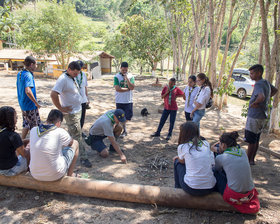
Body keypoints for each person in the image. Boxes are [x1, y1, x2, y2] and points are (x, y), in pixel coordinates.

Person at [51, 61, 91, 168]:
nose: (76, 75)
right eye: (75, 73)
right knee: (78, 135)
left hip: (77, 110)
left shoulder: (71, 77)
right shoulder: (63, 79)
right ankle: (83, 158)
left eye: (78, 73)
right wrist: (60, 108)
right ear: (69, 69)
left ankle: (66, 152)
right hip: (71, 113)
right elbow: (53, 94)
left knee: (72, 134)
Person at [211, 131, 260, 214]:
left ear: (223, 145)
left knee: (215, 172)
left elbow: (216, 169)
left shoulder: (222, 157)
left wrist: (216, 151)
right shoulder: (243, 151)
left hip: (234, 196)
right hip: (249, 194)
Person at [29, 109, 79, 181]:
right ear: (59, 123)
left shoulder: (33, 130)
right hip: (55, 174)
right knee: (76, 143)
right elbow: (71, 143)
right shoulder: (60, 131)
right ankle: (70, 174)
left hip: (34, 173)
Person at [245, 64, 278, 165]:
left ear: (259, 72)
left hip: (254, 116)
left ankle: (247, 160)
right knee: (255, 139)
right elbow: (275, 90)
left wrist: (256, 103)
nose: (250, 75)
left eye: (252, 73)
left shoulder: (259, 84)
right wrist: (266, 99)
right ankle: (251, 160)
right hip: (262, 116)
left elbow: (261, 96)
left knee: (251, 140)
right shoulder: (266, 82)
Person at [173, 122, 216, 196]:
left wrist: (178, 158)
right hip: (210, 187)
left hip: (192, 188)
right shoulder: (206, 143)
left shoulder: (183, 147)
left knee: (177, 162)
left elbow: (182, 161)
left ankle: (177, 188)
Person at [16, 56, 41, 139]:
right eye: (36, 64)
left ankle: (21, 142)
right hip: (30, 105)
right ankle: (35, 145)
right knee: (34, 127)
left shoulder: (20, 73)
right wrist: (36, 103)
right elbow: (28, 91)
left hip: (23, 104)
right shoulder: (28, 75)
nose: (36, 66)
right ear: (31, 64)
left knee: (26, 124)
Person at [0, 106, 29, 176]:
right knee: (28, 153)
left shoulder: (3, 133)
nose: (17, 119)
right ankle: (29, 170)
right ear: (10, 120)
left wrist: (24, 141)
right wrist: (29, 147)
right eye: (15, 117)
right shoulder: (13, 135)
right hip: (10, 170)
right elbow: (23, 154)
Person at [114, 62, 135, 137]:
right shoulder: (116, 76)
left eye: (125, 70)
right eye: (123, 70)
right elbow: (117, 88)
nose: (124, 71)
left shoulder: (131, 76)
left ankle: (122, 128)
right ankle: (123, 130)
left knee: (128, 116)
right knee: (120, 116)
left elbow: (132, 87)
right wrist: (127, 89)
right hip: (119, 100)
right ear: (120, 68)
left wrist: (128, 80)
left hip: (128, 100)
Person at [76, 60, 90, 129]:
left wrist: (87, 97)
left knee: (82, 118)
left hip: (83, 100)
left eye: (80, 67)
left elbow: (85, 87)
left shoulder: (83, 74)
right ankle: (76, 133)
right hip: (75, 101)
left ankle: (80, 131)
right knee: (76, 118)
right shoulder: (73, 75)